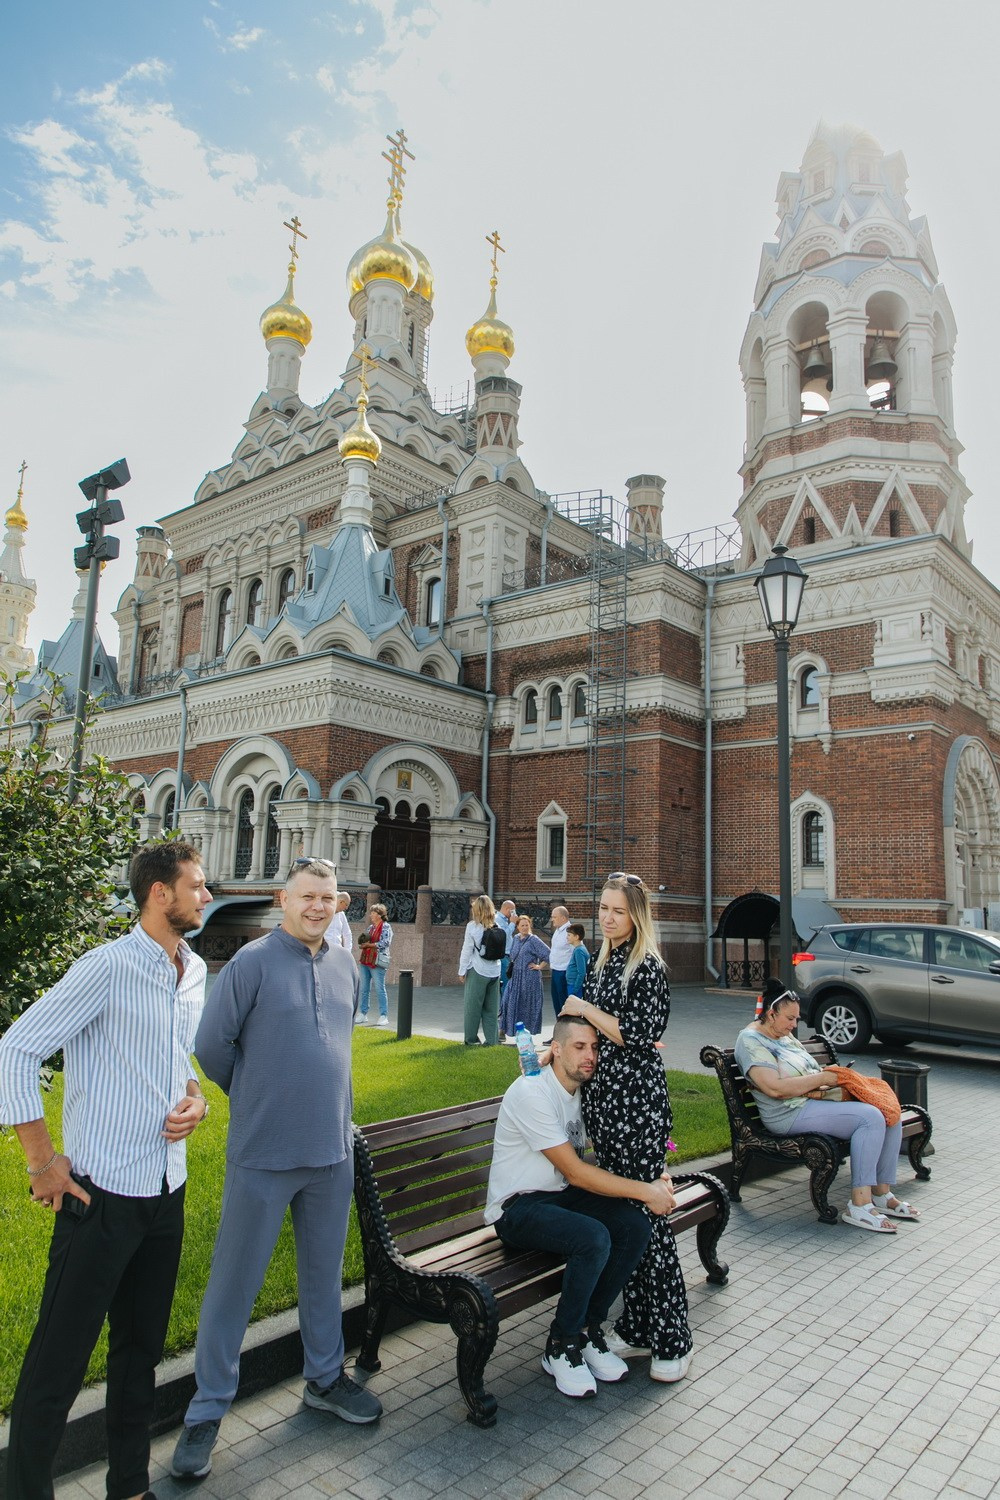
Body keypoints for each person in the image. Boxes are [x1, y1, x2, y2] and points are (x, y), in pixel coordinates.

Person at [0, 840, 212, 1500]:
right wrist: (42, 1163)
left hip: (166, 1194)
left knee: (139, 1357)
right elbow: (14, 1050)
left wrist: (197, 1097)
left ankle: (129, 1486)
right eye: (197, 886)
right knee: (57, 1366)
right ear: (160, 894)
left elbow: (179, 1058)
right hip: (99, 1199)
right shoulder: (108, 967)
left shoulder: (195, 971)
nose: (206, 896)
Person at [171, 859, 380, 1482]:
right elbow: (211, 1047)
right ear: (281, 899)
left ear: (339, 903)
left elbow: (337, 1043)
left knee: (323, 1278)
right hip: (263, 1153)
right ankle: (206, 1410)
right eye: (306, 896)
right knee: (233, 1285)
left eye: (327, 897)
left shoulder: (344, 965)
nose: (317, 906)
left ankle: (323, 1378)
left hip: (330, 1153)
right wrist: (258, 1093)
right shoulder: (252, 964)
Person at [486, 1015, 676, 1399]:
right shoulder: (532, 1093)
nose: (589, 1056)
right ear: (555, 1049)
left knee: (633, 1227)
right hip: (517, 1208)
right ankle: (561, 1343)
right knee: (593, 1237)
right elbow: (575, 1172)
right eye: (578, 1047)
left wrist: (660, 1174)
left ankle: (590, 1331)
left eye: (594, 1047)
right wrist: (646, 1191)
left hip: (556, 1197)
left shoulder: (583, 1093)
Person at [559, 873, 693, 1383]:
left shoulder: (648, 965)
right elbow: (594, 1031)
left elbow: (641, 1033)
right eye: (603, 908)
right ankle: (637, 1325)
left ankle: (673, 1336)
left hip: (636, 1108)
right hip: (607, 1106)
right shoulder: (605, 958)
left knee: (648, 1216)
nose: (607, 917)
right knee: (625, 1218)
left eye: (616, 910)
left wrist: (585, 1007)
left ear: (636, 915)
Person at [734, 980, 921, 1232]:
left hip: (811, 1102)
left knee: (888, 1110)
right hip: (787, 1113)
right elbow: (774, 1088)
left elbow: (806, 1070)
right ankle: (859, 1205)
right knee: (870, 1118)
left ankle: (881, 1193)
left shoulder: (783, 1036)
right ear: (771, 1013)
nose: (793, 1025)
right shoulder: (751, 1041)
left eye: (796, 1019)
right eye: (790, 1019)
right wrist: (822, 1078)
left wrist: (829, 1078)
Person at [458, 894, 502, 1046]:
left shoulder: (472, 927)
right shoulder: (498, 925)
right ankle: (492, 1040)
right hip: (495, 971)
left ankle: (470, 1040)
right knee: (491, 1009)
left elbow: (467, 950)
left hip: (478, 970)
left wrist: (462, 970)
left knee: (473, 1008)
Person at [499, 914, 550, 1039]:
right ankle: (503, 1029)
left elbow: (548, 954)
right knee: (507, 1002)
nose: (525, 927)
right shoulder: (516, 938)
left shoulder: (534, 939)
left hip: (529, 978)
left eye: (527, 925)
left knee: (526, 1005)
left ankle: (524, 1034)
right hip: (515, 976)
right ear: (517, 927)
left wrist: (539, 966)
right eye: (522, 925)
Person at [357, 901, 392, 1027]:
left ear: (380, 914)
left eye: (373, 913)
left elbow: (385, 943)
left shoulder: (386, 927)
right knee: (364, 989)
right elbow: (365, 940)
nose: (371, 915)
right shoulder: (370, 928)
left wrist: (370, 945)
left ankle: (384, 1015)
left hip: (377, 961)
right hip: (366, 960)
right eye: (371, 912)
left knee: (379, 989)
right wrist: (363, 944)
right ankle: (363, 1013)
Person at [548, 905, 573, 1018]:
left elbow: (576, 952)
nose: (552, 919)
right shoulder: (558, 931)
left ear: (563, 918)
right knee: (556, 1001)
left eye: (554, 917)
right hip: (555, 970)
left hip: (564, 971)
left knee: (563, 1002)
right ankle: (559, 1028)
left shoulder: (570, 932)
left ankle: (565, 1028)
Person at [496, 898, 517, 1000]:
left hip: (507, 955)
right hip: (503, 955)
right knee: (506, 984)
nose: (514, 913)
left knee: (507, 983)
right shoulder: (498, 919)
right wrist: (512, 923)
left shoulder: (504, 920)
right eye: (513, 910)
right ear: (508, 909)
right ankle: (504, 1009)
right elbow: (503, 935)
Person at [564, 923, 589, 999]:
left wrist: (575, 989)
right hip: (572, 984)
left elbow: (581, 972)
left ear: (576, 937)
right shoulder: (578, 949)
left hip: (574, 986)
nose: (567, 937)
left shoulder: (579, 951)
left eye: (569, 935)